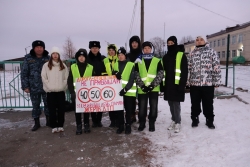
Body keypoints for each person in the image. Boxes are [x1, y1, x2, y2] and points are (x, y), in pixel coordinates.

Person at [187, 36, 221, 129]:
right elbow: (188, 68)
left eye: (201, 39)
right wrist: (187, 81)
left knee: (208, 103)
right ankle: (195, 118)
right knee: (195, 103)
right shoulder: (192, 53)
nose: (199, 41)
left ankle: (209, 120)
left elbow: (216, 67)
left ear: (205, 41)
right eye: (197, 40)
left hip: (208, 83)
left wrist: (216, 81)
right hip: (194, 83)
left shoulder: (212, 52)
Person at [134, 41, 164, 132]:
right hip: (142, 89)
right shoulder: (138, 61)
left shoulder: (157, 60)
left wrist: (152, 85)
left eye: (148, 48)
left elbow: (160, 73)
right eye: (145, 48)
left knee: (153, 107)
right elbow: (136, 74)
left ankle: (152, 123)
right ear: (143, 50)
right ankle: (142, 123)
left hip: (153, 88)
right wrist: (142, 85)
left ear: (151, 49)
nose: (147, 50)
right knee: (142, 107)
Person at [21, 40, 50, 131]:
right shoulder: (28, 58)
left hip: (47, 86)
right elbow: (24, 73)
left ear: (43, 48)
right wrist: (25, 86)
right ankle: (36, 123)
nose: (39, 49)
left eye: (41, 47)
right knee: (35, 106)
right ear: (34, 48)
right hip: (34, 87)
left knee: (48, 104)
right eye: (37, 47)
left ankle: (49, 121)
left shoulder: (48, 58)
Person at [162, 36, 188, 133]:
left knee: (176, 104)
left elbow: (185, 71)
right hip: (168, 84)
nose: (170, 45)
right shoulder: (165, 56)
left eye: (171, 43)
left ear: (175, 43)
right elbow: (163, 71)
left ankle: (178, 121)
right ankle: (173, 120)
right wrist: (163, 84)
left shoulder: (181, 55)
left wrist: (182, 84)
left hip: (177, 84)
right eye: (168, 43)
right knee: (170, 103)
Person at [41, 47, 68, 133]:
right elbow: (44, 77)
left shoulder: (63, 65)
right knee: (51, 109)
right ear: (51, 55)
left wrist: (63, 86)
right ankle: (53, 125)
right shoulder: (46, 65)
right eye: (53, 53)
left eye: (57, 53)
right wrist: (49, 86)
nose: (55, 55)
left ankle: (60, 125)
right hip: (50, 91)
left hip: (60, 91)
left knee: (61, 109)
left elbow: (66, 77)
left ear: (59, 55)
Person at [67, 48, 94, 135]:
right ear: (77, 58)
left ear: (85, 57)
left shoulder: (90, 67)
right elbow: (70, 81)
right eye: (80, 56)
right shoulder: (73, 67)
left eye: (83, 56)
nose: (81, 58)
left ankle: (86, 125)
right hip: (76, 94)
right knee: (77, 111)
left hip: (87, 94)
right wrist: (71, 92)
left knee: (86, 111)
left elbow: (94, 81)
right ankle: (79, 126)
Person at [87, 41, 111, 127]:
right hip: (90, 83)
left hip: (101, 83)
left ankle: (99, 120)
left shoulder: (103, 58)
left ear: (99, 49)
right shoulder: (87, 58)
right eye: (93, 48)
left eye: (96, 48)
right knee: (93, 103)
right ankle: (94, 121)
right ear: (90, 48)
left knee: (100, 103)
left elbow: (107, 69)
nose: (94, 49)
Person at [113, 47, 136, 134]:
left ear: (125, 55)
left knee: (128, 110)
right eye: (119, 55)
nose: (120, 57)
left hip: (128, 92)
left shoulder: (131, 64)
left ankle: (128, 125)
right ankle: (121, 125)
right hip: (118, 92)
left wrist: (125, 89)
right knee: (119, 109)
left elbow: (132, 79)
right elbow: (113, 73)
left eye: (122, 55)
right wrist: (115, 73)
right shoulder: (116, 64)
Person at [126, 36, 142, 123]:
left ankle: (141, 116)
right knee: (131, 100)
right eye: (132, 43)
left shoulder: (142, 54)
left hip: (141, 80)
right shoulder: (128, 56)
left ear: (138, 44)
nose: (134, 44)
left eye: (136, 42)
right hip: (131, 80)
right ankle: (132, 115)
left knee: (141, 100)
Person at [106, 44, 119, 127]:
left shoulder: (119, 59)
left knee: (117, 104)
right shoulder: (105, 60)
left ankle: (118, 120)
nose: (111, 52)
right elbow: (102, 71)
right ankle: (112, 120)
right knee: (110, 104)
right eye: (110, 50)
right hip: (108, 84)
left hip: (118, 85)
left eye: (113, 50)